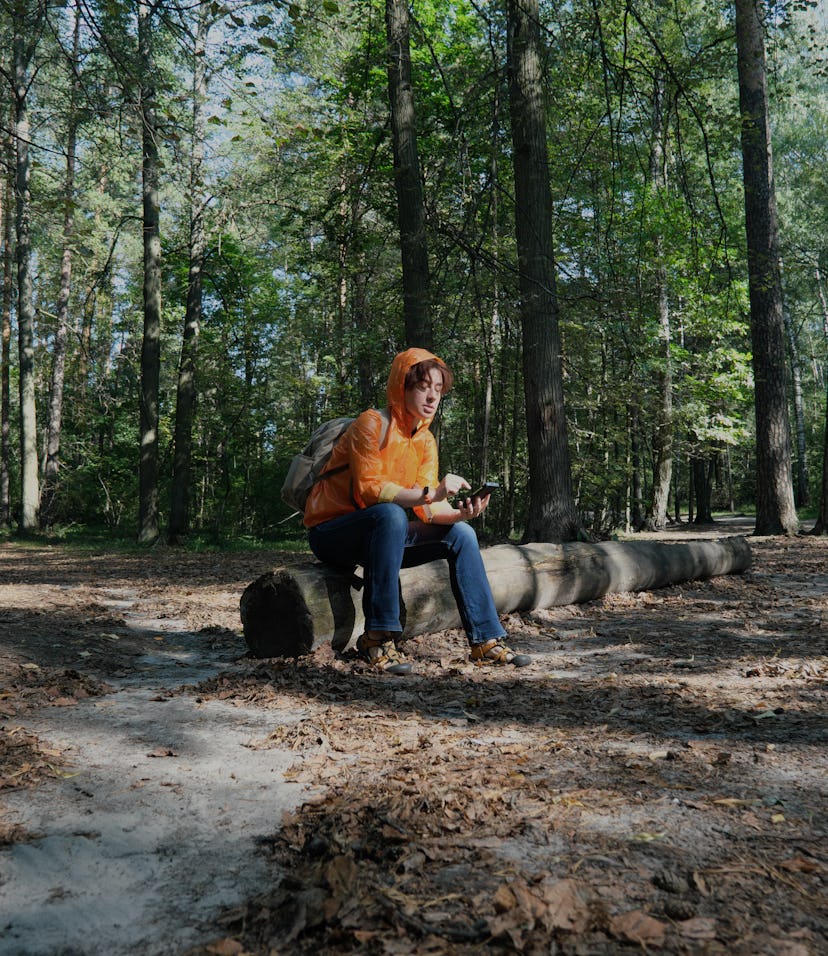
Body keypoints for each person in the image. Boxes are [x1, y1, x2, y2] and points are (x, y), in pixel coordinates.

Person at [304, 347, 532, 675]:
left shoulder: (425, 441)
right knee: (391, 514)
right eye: (423, 386)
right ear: (402, 386)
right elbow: (370, 490)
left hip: (383, 535)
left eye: (438, 390)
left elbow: (430, 509)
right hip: (332, 532)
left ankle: (485, 642)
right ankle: (378, 637)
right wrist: (431, 492)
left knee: (462, 535)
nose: (432, 396)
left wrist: (459, 514)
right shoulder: (371, 423)